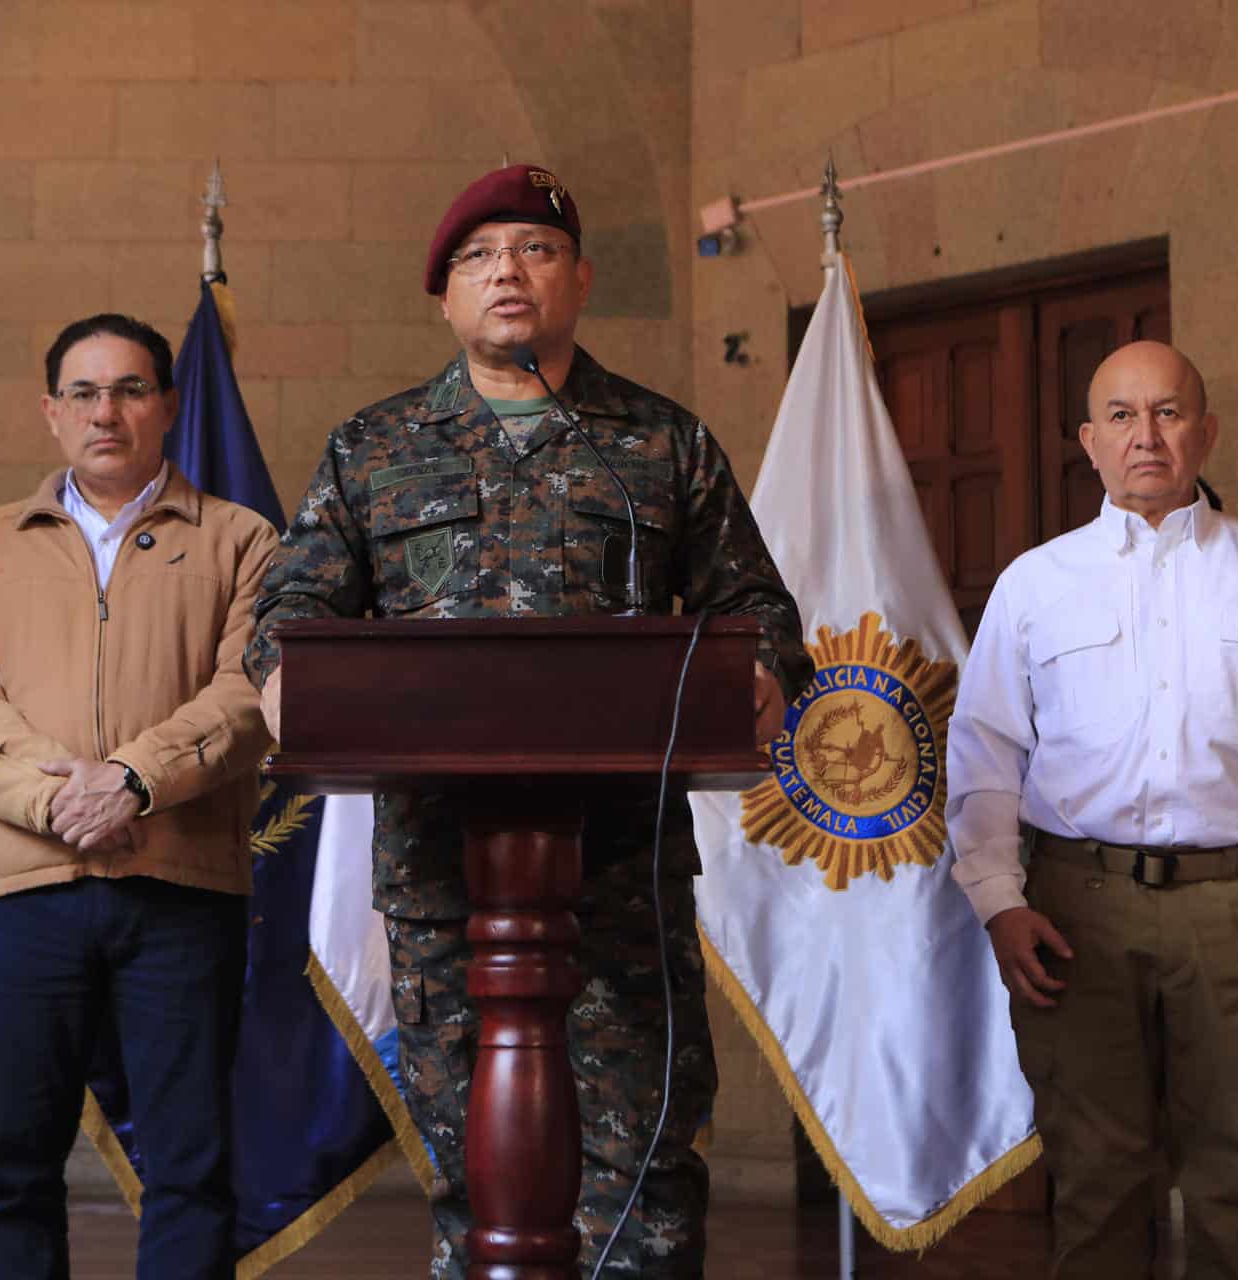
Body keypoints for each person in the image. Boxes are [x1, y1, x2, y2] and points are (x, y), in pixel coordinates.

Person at [243, 164, 811, 1278]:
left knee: (641, 1159)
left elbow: (756, 607)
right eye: (479, 257)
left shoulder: (661, 442)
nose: (508, 271)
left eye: (536, 250)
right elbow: (291, 609)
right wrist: (282, 675)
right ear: (445, 298)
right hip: (444, 868)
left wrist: (766, 673)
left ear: (580, 280)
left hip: (619, 865)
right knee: (472, 1156)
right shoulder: (374, 447)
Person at [946, 339, 1238, 1280]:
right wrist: (997, 898)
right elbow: (984, 753)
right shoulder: (1035, 584)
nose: (1146, 435)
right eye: (1121, 416)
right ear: (1089, 443)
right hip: (1074, 909)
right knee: (1096, 1187)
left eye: (1169, 412)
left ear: (1206, 432)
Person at [0, 313, 278, 1280]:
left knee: (192, 1168)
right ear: (50, 413)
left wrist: (133, 781)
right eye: (83, 393)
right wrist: (61, 798)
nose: (105, 411)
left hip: (184, 886)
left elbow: (251, 693)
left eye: (128, 390)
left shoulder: (245, 542)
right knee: (14, 1167)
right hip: (25, 893)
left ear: (167, 404)